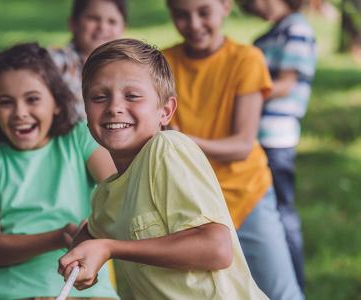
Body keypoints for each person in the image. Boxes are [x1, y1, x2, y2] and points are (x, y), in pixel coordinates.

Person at [58, 38, 268, 300]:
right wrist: (79, 258)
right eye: (99, 97)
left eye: (132, 96)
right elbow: (90, 235)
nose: (114, 108)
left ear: (166, 111)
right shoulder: (106, 194)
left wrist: (110, 247)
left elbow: (216, 248)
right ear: (86, 112)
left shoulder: (167, 149)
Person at [162, 0, 304, 299]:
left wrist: (183, 140)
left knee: (280, 291)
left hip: (244, 191)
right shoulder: (164, 64)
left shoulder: (246, 59)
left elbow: (241, 145)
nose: (194, 24)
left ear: (226, 6)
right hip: (191, 200)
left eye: (204, 12)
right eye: (181, 15)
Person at [0, 42, 119, 300]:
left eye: (32, 99)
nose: (20, 113)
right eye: (5, 102)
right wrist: (57, 237)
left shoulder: (78, 138)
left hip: (91, 291)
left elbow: (120, 189)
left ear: (56, 102)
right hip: (15, 292)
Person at [238, 0, 317, 293]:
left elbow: (286, 83)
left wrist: (242, 94)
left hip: (276, 136)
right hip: (256, 136)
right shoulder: (267, 36)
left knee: (282, 213)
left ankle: (292, 283)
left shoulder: (296, 29)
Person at [49, 0, 127, 122]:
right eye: (93, 18)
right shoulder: (56, 62)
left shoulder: (128, 68)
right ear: (73, 23)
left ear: (123, 28)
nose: (102, 27)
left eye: (112, 21)